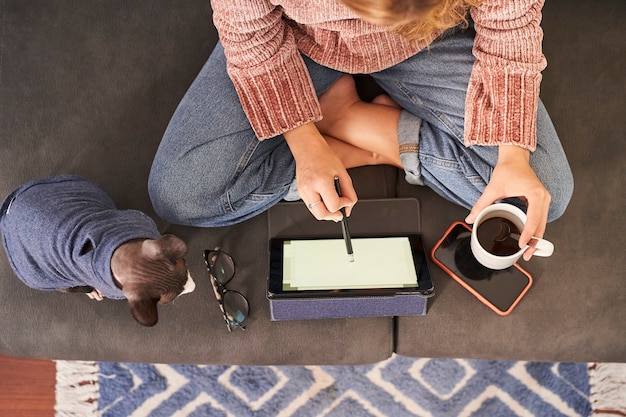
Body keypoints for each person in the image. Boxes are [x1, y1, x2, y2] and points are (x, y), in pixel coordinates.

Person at [148, 0, 573, 261]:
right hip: (296, 43)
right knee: (181, 193)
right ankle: (362, 131)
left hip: (429, 38)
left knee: (536, 198)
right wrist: (303, 140)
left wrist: (513, 156)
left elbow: (510, 28)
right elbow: (250, 39)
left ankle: (351, 121)